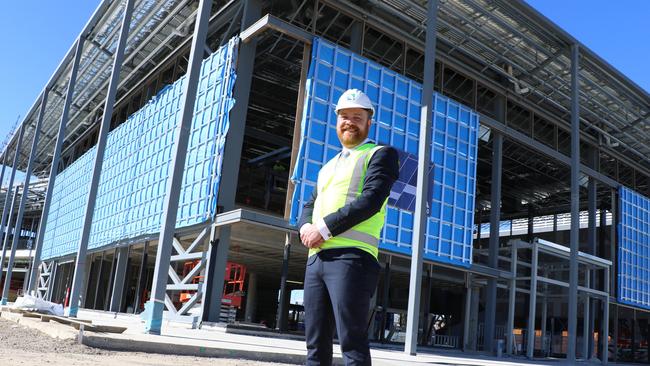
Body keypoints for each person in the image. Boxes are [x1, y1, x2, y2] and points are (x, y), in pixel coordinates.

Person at [299, 88, 399, 365]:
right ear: (337, 121)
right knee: (315, 345)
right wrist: (305, 228)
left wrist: (323, 229)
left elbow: (371, 200)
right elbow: (310, 204)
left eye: (357, 116)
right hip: (316, 258)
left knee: (351, 341)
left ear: (369, 122)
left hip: (352, 257)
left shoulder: (381, 154)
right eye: (344, 116)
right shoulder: (328, 166)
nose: (349, 122)